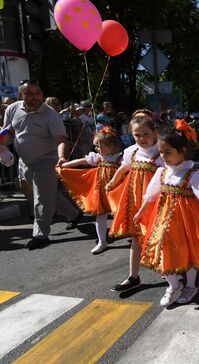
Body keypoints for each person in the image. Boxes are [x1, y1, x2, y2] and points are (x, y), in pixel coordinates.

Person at [134, 121, 199, 306]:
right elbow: (151, 196)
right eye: (161, 152)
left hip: (187, 221)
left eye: (168, 152)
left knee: (189, 251)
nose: (163, 156)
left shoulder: (194, 175)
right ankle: (174, 285)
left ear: (182, 151)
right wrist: (140, 213)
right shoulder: (162, 172)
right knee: (160, 249)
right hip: (163, 220)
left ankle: (191, 285)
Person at [1, 80, 81, 250]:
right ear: (21, 95)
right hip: (26, 162)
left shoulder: (50, 114)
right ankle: (74, 214)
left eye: (38, 92)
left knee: (41, 198)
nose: (35, 96)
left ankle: (40, 234)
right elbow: (9, 132)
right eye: (29, 93)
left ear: (42, 94)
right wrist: (2, 141)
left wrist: (61, 157)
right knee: (47, 193)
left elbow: (61, 140)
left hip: (48, 159)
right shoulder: (12, 109)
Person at [106, 115, 164, 292]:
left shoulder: (161, 152)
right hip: (135, 202)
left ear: (155, 133)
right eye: (137, 135)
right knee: (136, 238)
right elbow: (124, 168)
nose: (141, 138)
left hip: (155, 202)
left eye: (146, 134)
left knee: (160, 236)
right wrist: (113, 182)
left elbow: (170, 175)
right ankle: (133, 277)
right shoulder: (131, 151)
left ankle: (169, 269)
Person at [57, 127, 122, 254]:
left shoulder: (121, 158)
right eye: (96, 146)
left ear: (110, 146)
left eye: (98, 146)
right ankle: (102, 241)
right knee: (101, 215)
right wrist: (64, 165)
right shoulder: (99, 157)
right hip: (102, 191)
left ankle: (136, 235)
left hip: (119, 191)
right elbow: (82, 161)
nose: (96, 148)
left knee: (123, 213)